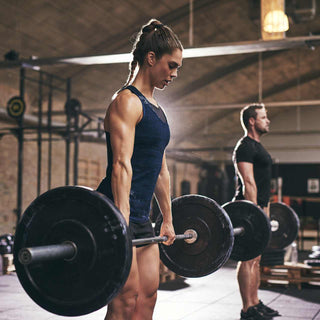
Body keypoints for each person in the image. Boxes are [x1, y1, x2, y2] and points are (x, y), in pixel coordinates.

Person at [96, 19, 183, 320]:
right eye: (171, 66)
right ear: (150, 58)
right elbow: (121, 165)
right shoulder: (127, 102)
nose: (174, 74)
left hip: (142, 215)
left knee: (147, 295)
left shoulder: (157, 109)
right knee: (125, 299)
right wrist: (122, 221)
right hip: (117, 211)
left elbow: (161, 170)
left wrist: (167, 219)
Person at [232, 104, 280, 320]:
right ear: (252, 121)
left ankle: (255, 302)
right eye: (263, 117)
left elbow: (262, 186)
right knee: (248, 259)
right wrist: (257, 214)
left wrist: (266, 211)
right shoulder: (245, 146)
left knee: (256, 260)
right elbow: (248, 182)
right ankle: (247, 309)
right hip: (247, 211)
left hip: (259, 208)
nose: (267, 120)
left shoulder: (258, 146)